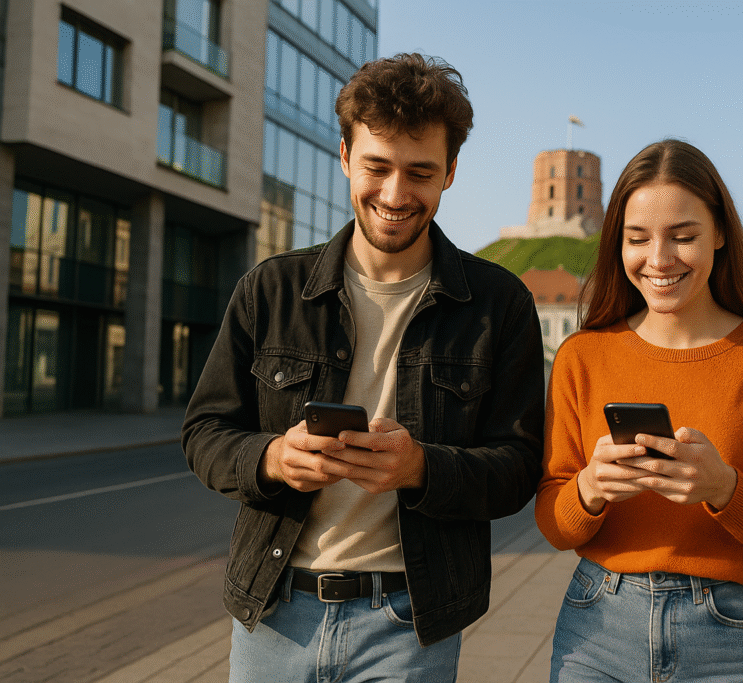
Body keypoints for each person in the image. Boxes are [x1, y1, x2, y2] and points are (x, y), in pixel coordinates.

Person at [183, 53, 545, 682]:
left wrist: (422, 468)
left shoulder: (500, 304)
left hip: (412, 621)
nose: (396, 195)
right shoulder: (271, 289)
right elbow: (205, 434)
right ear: (346, 157)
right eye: (377, 167)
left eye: (421, 173)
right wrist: (272, 459)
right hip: (273, 612)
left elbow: (517, 469)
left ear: (451, 173)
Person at [535, 139, 743, 683]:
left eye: (684, 236)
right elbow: (554, 521)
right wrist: (589, 490)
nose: (659, 260)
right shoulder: (583, 355)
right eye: (637, 239)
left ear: (719, 234)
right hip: (598, 625)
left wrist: (723, 488)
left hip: (734, 635)